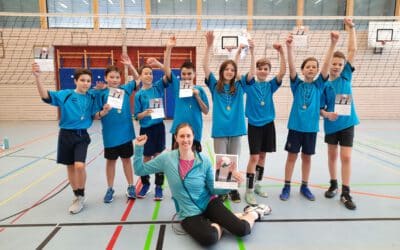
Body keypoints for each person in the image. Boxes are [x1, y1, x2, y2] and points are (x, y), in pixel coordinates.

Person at [133, 123, 271, 247]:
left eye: (188, 136)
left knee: (242, 230)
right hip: (188, 212)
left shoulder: (203, 160)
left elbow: (213, 189)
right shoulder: (166, 159)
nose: (185, 139)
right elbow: (140, 170)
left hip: (208, 203)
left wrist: (232, 183)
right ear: (176, 138)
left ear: (193, 137)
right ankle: (222, 222)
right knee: (209, 238)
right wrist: (139, 148)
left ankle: (254, 213)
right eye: (182, 136)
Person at [32, 62, 110, 214]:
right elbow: (45, 96)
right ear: (75, 81)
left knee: (79, 166)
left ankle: (81, 194)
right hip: (66, 135)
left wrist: (104, 112)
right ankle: (77, 196)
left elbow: (95, 115)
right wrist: (37, 78)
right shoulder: (66, 94)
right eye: (82, 80)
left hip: (81, 135)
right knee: (70, 167)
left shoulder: (91, 97)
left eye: (88, 81)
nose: (86, 83)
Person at [279, 31, 338, 201]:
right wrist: (289, 48)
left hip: (311, 129)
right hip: (296, 128)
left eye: (314, 67)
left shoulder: (320, 85)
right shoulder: (296, 85)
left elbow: (327, 64)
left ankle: (304, 186)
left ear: (317, 71)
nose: (311, 68)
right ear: (303, 70)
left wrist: (332, 44)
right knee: (292, 157)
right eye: (308, 66)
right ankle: (286, 186)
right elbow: (291, 67)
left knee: (307, 158)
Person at [238, 41, 286, 205]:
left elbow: (282, 72)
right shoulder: (249, 84)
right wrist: (252, 52)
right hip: (254, 125)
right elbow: (250, 73)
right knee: (254, 157)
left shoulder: (271, 86)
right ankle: (249, 190)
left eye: (266, 69)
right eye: (260, 68)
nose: (263, 71)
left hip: (268, 125)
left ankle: (258, 184)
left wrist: (282, 53)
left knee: (263, 157)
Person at [203, 31, 247, 203]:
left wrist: (237, 54)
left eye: (232, 70)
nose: (229, 72)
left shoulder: (239, 87)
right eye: (226, 69)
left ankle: (233, 189)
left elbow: (237, 69)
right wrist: (208, 45)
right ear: (221, 72)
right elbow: (205, 67)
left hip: (236, 129)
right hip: (220, 130)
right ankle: (223, 189)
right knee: (222, 161)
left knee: (234, 159)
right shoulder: (215, 85)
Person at [320, 18, 359, 210]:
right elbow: (321, 108)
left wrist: (351, 28)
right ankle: (333, 183)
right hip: (331, 124)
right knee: (332, 155)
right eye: (333, 63)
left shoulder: (346, 75)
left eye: (339, 63)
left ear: (344, 65)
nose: (336, 66)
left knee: (346, 157)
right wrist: (327, 115)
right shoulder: (325, 84)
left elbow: (353, 50)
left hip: (347, 123)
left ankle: (346, 191)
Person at [96, 61, 140, 204]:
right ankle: (110, 188)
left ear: (120, 79)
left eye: (117, 77)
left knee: (126, 160)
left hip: (125, 134)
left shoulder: (126, 89)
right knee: (111, 162)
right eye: (111, 77)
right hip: (110, 135)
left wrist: (130, 64)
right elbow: (96, 115)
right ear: (106, 78)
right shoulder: (101, 93)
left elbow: (138, 79)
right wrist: (104, 111)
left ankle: (131, 186)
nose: (114, 80)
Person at [134, 42, 172, 201]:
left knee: (159, 158)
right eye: (146, 73)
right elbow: (137, 116)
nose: (149, 75)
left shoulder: (158, 87)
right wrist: (144, 113)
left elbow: (168, 74)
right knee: (146, 158)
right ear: (141, 77)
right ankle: (145, 184)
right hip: (146, 130)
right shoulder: (138, 95)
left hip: (158, 128)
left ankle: (158, 187)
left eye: (150, 73)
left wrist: (168, 50)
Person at [164, 36, 209, 152]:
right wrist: (169, 48)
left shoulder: (200, 90)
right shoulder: (177, 85)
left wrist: (197, 96)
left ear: (194, 74)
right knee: (176, 160)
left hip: (195, 131)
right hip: (178, 131)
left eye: (189, 74)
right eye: (184, 74)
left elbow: (206, 111)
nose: (186, 76)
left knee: (193, 161)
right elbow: (166, 69)